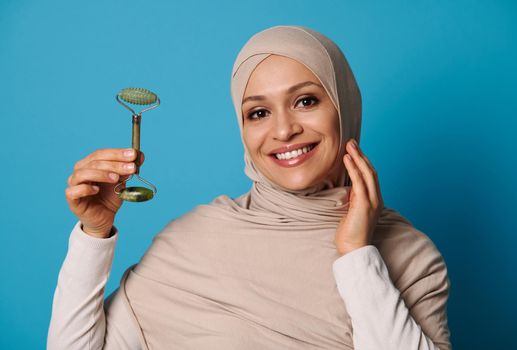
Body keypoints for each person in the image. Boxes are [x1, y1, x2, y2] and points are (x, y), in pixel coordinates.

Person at [48, 25, 451, 349]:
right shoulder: (190, 242)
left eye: (306, 101)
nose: (283, 129)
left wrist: (358, 255)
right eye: (258, 112)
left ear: (344, 105)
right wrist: (93, 236)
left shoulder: (410, 257)